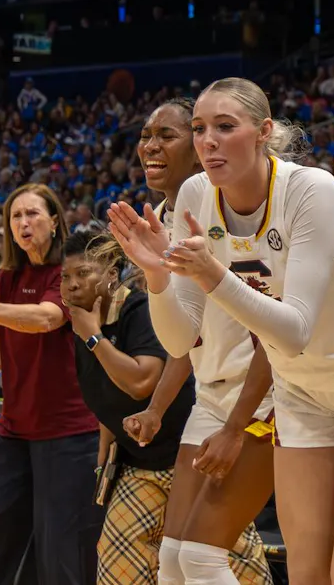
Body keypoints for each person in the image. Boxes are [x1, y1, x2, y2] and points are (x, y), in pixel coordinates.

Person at [109, 77, 334, 585]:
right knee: (307, 573)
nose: (208, 140)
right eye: (199, 128)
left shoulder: (312, 190)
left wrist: (211, 274)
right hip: (299, 387)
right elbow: (178, 341)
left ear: (263, 132)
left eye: (225, 126)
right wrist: (157, 276)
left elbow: (296, 329)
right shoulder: (196, 194)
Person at [122, 97, 273, 585]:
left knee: (201, 560)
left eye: (167, 135)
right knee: (172, 561)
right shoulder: (161, 222)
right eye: (146, 135)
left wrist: (236, 424)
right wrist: (159, 409)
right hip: (210, 392)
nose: (151, 146)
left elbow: (278, 332)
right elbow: (184, 339)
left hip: (269, 393)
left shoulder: (254, 209)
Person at [0, 184, 102, 585]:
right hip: (14, 429)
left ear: (54, 220)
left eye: (32, 214)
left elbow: (46, 318)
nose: (24, 223)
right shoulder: (9, 276)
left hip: (68, 432)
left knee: (59, 547)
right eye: (15, 217)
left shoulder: (71, 270)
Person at [61, 229, 198, 583]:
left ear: (111, 274)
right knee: (116, 560)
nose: (71, 285)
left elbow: (141, 384)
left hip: (190, 453)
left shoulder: (139, 309)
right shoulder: (84, 324)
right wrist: (105, 457)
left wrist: (94, 338)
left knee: (211, 557)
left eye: (82, 273)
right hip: (137, 461)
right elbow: (107, 393)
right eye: (65, 277)